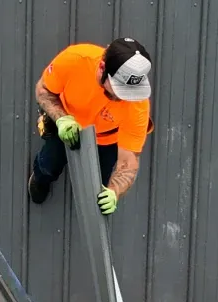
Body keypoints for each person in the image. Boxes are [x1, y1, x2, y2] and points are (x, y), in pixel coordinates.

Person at [28, 38, 152, 215]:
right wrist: (62, 120)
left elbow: (128, 160)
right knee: (48, 163)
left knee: (97, 186)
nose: (123, 98)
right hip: (66, 122)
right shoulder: (76, 59)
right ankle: (40, 178)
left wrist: (114, 192)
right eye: (118, 89)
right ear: (102, 68)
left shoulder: (138, 104)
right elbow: (43, 90)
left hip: (107, 138)